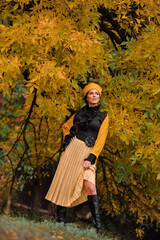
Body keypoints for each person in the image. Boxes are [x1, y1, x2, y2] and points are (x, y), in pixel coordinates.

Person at [45, 83, 109, 238]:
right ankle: (60, 223)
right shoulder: (79, 113)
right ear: (86, 96)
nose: (94, 96)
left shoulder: (104, 117)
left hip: (89, 153)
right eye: (91, 93)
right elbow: (66, 126)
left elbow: (101, 141)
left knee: (90, 187)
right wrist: (68, 138)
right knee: (65, 182)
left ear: (99, 97)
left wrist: (91, 157)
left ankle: (98, 230)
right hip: (73, 151)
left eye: (97, 94)